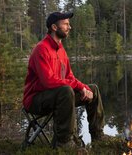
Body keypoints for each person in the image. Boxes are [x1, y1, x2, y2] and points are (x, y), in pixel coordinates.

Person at [23, 12, 106, 149]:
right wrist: (77, 87)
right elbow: (48, 81)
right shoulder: (41, 49)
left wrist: (84, 87)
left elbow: (69, 77)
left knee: (93, 89)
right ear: (54, 27)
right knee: (66, 90)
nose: (69, 27)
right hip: (35, 100)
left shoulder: (61, 49)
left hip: (59, 95)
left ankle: (98, 136)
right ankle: (65, 143)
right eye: (66, 24)